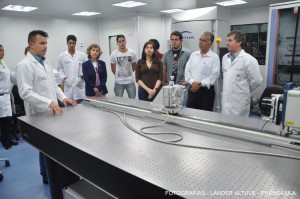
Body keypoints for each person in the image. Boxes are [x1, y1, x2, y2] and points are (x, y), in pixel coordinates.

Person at [15, 30, 78, 197]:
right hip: (38, 114)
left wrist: (64, 98)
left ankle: (48, 175)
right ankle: (48, 177)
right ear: (31, 45)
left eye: (46, 44)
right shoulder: (24, 65)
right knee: (44, 146)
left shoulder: (45, 63)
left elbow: (54, 86)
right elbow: (25, 93)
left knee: (48, 147)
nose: (45, 47)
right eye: (42, 43)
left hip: (52, 112)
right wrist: (48, 102)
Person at [222, 30, 262, 117]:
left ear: (239, 42)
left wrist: (243, 89)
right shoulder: (225, 58)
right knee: (224, 127)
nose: (227, 43)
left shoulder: (249, 60)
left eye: (230, 40)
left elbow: (257, 81)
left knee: (238, 127)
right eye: (227, 40)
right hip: (226, 101)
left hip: (239, 103)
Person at [185, 32, 220, 111]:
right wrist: (192, 82)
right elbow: (187, 71)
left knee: (204, 117)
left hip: (206, 92)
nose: (200, 42)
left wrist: (200, 84)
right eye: (200, 40)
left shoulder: (214, 57)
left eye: (203, 40)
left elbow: (214, 75)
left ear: (210, 43)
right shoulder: (194, 55)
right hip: (192, 90)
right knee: (190, 114)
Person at [162, 31, 191, 106]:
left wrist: (187, 81)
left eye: (176, 39)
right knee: (170, 106)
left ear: (181, 41)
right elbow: (164, 69)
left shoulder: (187, 53)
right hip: (170, 86)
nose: (174, 41)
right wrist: (164, 83)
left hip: (182, 85)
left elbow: (192, 69)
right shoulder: (166, 54)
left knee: (182, 108)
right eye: (172, 39)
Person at [57, 35, 87, 103]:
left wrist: (82, 75)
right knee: (70, 109)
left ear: (75, 44)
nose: (72, 45)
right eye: (70, 43)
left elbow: (86, 67)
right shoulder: (62, 56)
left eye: (73, 43)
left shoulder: (82, 55)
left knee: (82, 107)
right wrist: (63, 77)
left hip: (79, 86)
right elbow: (59, 69)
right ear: (67, 43)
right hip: (68, 86)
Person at [0, 44, 19, 150]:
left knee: (8, 120)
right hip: (1, 97)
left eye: (3, 50)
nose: (3, 52)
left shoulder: (3, 63)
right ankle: (5, 142)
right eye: (0, 51)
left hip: (6, 97)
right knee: (4, 120)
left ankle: (8, 139)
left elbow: (11, 76)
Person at [110, 34, 137, 99]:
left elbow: (134, 67)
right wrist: (119, 74)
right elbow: (113, 68)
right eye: (120, 41)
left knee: (132, 101)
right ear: (117, 43)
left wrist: (127, 73)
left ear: (125, 41)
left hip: (130, 81)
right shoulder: (113, 54)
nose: (122, 43)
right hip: (118, 82)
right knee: (119, 102)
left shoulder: (132, 53)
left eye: (123, 41)